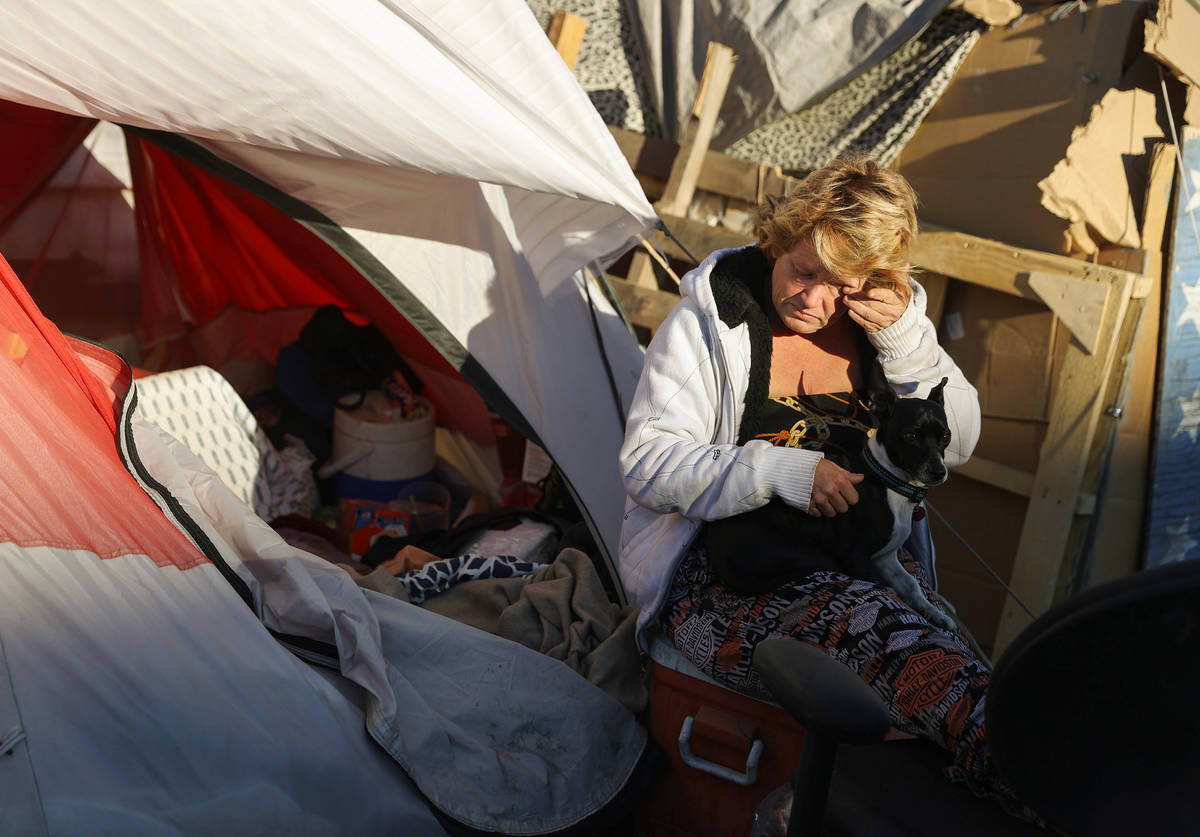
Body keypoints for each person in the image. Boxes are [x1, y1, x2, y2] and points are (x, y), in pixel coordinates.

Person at [617, 154, 1031, 818]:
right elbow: (647, 462)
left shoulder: (882, 329)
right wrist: (779, 471)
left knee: (970, 683)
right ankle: (1048, 783)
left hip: (859, 569)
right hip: (726, 583)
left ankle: (1056, 791)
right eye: (803, 271)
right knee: (921, 671)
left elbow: (956, 441)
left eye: (841, 283)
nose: (814, 299)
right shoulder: (712, 321)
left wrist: (904, 342)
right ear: (778, 239)